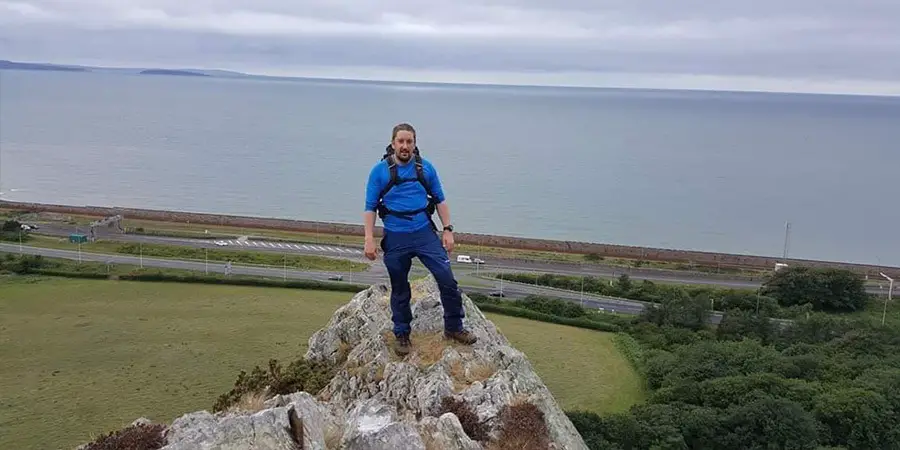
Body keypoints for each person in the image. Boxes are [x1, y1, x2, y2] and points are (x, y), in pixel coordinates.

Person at [363, 122, 477, 356]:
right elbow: (370, 208)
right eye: (401, 141)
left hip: (425, 232)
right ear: (393, 143)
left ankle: (454, 327)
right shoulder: (379, 172)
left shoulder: (426, 169)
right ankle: (402, 334)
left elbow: (440, 200)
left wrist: (447, 230)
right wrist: (368, 238)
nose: (405, 146)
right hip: (395, 235)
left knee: (447, 279)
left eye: (409, 142)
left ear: (415, 144)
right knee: (400, 287)